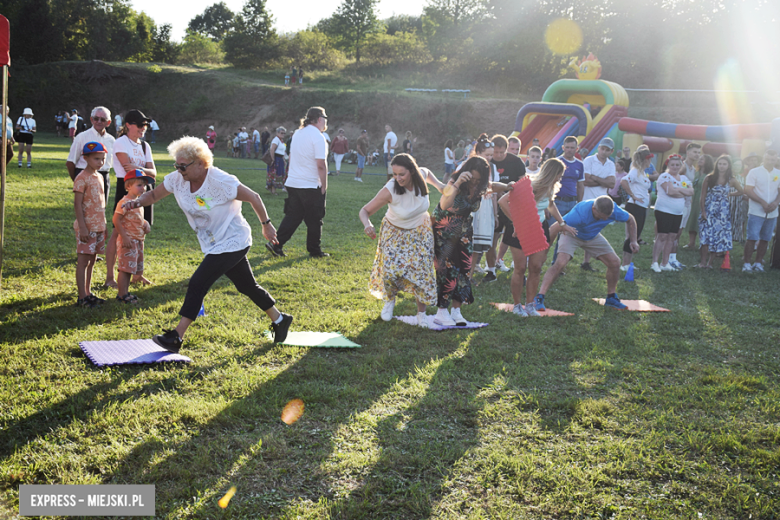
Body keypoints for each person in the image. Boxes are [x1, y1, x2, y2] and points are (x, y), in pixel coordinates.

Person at [122, 136, 293, 352]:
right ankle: (280, 320)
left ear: (201, 163)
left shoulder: (221, 181)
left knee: (198, 283)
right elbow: (154, 194)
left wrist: (266, 225)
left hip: (233, 240)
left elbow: (254, 197)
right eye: (177, 165)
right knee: (247, 286)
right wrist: (137, 202)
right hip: (213, 242)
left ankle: (176, 336)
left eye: (183, 166)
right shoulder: (177, 179)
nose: (179, 170)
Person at [359, 154, 444, 326]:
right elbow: (364, 211)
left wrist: (443, 187)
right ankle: (389, 300)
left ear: (412, 171)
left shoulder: (422, 175)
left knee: (422, 272)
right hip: (394, 232)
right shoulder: (390, 189)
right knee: (391, 271)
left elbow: (435, 180)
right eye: (394, 174)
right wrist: (367, 225)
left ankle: (421, 314)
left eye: (401, 174)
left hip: (420, 231)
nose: (397, 178)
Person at [498, 158, 577, 316]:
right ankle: (517, 306)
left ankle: (530, 305)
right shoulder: (529, 186)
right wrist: (517, 223)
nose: (559, 179)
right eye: (559, 175)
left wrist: (562, 223)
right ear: (552, 173)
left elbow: (550, 204)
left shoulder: (550, 188)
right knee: (520, 268)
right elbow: (502, 201)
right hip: (519, 230)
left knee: (536, 268)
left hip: (539, 228)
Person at [536, 196, 639, 311]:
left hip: (592, 236)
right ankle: (540, 296)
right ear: (594, 209)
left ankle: (611, 297)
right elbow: (554, 228)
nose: (605, 220)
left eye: (607, 217)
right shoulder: (579, 214)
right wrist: (544, 252)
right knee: (560, 263)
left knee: (615, 262)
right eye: (601, 217)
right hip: (572, 233)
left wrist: (633, 240)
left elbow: (631, 219)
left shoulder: (614, 210)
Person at [432, 156, 491, 326]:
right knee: (447, 270)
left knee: (465, 269)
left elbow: (495, 187)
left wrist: (509, 186)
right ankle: (441, 311)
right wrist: (457, 184)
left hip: (464, 230)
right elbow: (443, 205)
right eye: (472, 179)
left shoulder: (480, 186)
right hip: (445, 229)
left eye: (478, 180)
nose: (474, 183)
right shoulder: (454, 182)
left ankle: (456, 310)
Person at [267, 106, 329, 258]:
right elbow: (321, 164)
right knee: (315, 219)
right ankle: (314, 251)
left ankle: (276, 244)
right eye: (325, 119)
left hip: (293, 182)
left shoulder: (297, 133)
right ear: (320, 119)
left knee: (293, 216)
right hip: (310, 184)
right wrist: (324, 185)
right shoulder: (318, 137)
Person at [105, 109, 156, 289]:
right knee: (116, 232)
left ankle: (138, 274)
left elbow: (154, 173)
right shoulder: (121, 143)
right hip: (126, 188)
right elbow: (128, 170)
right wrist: (142, 169)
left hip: (145, 190)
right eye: (140, 125)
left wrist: (138, 167)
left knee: (141, 230)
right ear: (128, 125)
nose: (143, 128)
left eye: (145, 125)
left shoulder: (145, 146)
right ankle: (110, 277)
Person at [73, 142, 109, 308]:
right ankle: (81, 297)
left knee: (92, 260)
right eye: (96, 158)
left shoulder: (100, 176)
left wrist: (104, 225)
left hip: (98, 226)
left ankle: (88, 293)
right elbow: (78, 204)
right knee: (83, 261)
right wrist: (82, 226)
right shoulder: (81, 178)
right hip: (87, 227)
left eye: (103, 158)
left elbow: (101, 205)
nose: (100, 162)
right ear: (85, 158)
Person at [113, 169, 152, 303]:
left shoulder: (138, 202)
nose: (143, 188)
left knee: (132, 267)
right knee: (125, 269)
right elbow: (116, 220)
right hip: (128, 240)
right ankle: (122, 295)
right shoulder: (124, 202)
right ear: (128, 186)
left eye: (144, 185)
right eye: (139, 185)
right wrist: (124, 237)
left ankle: (126, 291)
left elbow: (136, 218)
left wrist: (145, 223)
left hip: (138, 240)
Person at [697, 155, 742, 268]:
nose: (722, 166)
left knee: (717, 236)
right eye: (720, 164)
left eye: (724, 164)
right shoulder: (709, 177)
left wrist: (730, 194)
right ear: (716, 165)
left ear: (728, 166)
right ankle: (702, 262)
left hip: (722, 211)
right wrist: (703, 211)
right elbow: (702, 196)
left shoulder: (731, 180)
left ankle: (710, 263)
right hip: (709, 208)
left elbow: (741, 191)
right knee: (705, 236)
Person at [650, 155, 693, 272]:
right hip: (664, 211)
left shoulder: (683, 178)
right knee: (662, 236)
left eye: (677, 165)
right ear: (668, 165)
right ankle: (654, 262)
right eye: (672, 164)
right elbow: (670, 192)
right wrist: (683, 192)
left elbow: (691, 191)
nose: (675, 167)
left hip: (678, 212)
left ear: (681, 165)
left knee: (672, 237)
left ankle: (665, 263)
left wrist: (678, 190)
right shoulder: (665, 176)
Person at [491, 134, 526, 274]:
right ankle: (490, 265)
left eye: (502, 152)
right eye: (496, 152)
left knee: (510, 234)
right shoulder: (488, 161)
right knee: (494, 234)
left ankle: (501, 260)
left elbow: (522, 183)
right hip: (493, 203)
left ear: (506, 150)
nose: (498, 155)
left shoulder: (516, 162)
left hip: (512, 203)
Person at [580, 138, 617, 271]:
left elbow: (612, 184)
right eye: (602, 148)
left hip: (601, 203)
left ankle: (586, 261)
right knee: (577, 229)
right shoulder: (589, 160)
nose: (604, 151)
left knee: (593, 230)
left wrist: (595, 177)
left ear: (611, 151)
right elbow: (585, 180)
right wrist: (603, 181)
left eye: (607, 150)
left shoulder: (611, 164)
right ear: (599, 148)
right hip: (586, 200)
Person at [67, 106, 115, 205]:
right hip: (85, 175)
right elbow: (70, 163)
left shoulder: (111, 140)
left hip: (104, 177)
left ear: (108, 122)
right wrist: (78, 181)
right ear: (91, 119)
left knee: (101, 210)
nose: (99, 121)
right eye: (96, 118)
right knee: (85, 211)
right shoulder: (81, 137)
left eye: (103, 119)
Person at [742, 149, 780, 272]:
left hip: (772, 212)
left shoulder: (778, 173)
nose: (770, 161)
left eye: (772, 159)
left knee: (766, 238)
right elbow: (748, 190)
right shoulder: (754, 172)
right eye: (768, 159)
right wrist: (762, 202)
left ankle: (758, 263)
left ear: (776, 160)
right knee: (752, 237)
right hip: (756, 211)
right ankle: (747, 263)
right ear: (764, 158)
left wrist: (775, 203)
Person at [550, 136, 584, 264]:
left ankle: (557, 264)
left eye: (572, 148)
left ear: (577, 149)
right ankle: (539, 261)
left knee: (565, 236)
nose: (569, 150)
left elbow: (581, 185)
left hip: (571, 203)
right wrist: (549, 203)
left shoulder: (580, 164)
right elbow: (550, 182)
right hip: (556, 202)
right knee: (550, 235)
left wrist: (579, 204)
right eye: (567, 147)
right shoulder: (557, 162)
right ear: (563, 148)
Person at [620, 150, 654, 270]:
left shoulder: (642, 173)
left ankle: (627, 263)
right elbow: (623, 181)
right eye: (649, 159)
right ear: (644, 159)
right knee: (632, 235)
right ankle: (625, 264)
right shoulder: (635, 171)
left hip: (641, 207)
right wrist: (632, 195)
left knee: (635, 234)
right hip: (635, 207)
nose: (651, 161)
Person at [684, 153, 714, 250]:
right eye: (699, 159)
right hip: (694, 198)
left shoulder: (710, 175)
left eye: (702, 159)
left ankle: (703, 243)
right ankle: (691, 242)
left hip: (704, 199)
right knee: (692, 219)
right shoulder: (695, 172)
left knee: (702, 221)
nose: (700, 160)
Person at [731, 152, 759, 243]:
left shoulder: (759, 171)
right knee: (741, 217)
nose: (753, 161)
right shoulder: (744, 172)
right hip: (742, 197)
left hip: (754, 197)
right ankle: (741, 236)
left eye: (755, 160)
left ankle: (748, 237)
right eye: (751, 160)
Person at [679, 143, 703, 249]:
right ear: (688, 153)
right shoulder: (683, 166)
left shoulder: (693, 169)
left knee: (681, 228)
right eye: (695, 152)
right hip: (680, 200)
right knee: (676, 228)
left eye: (699, 152)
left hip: (688, 201)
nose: (697, 155)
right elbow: (677, 180)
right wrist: (687, 188)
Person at [266, 126, 287, 196]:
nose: (283, 134)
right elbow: (272, 149)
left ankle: (272, 189)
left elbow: (282, 152)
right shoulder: (276, 140)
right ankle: (273, 190)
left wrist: (283, 160)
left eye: (284, 133)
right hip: (276, 158)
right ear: (277, 133)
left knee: (279, 174)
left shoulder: (281, 141)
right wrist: (272, 159)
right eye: (281, 133)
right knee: (274, 174)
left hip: (280, 159)